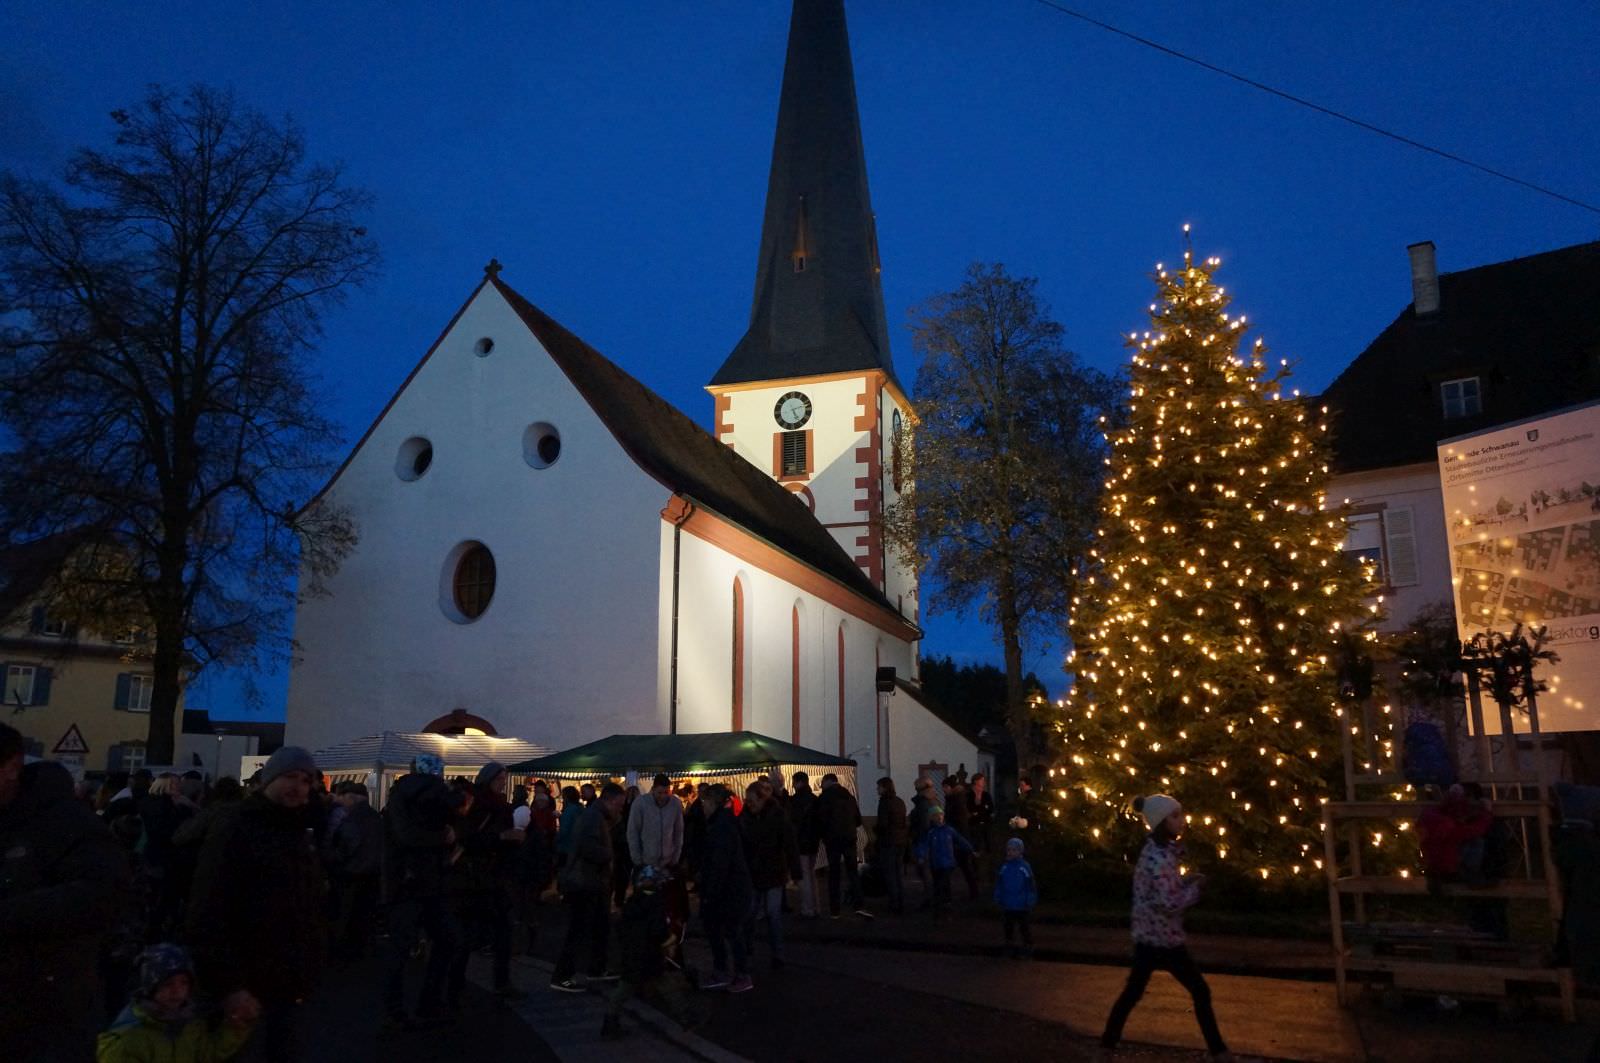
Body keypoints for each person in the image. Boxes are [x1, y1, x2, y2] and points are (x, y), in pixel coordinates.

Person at [184, 746, 327, 1062]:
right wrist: (229, 985)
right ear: (269, 779)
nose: (298, 786)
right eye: (290, 777)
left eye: (305, 780)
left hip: (288, 979)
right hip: (246, 979)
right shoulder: (237, 827)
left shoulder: (297, 830)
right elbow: (209, 908)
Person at [0, 723, 129, 1063]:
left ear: (12, 768)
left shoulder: (65, 823)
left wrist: (11, 913)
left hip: (46, 1010)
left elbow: (100, 895)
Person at [1099, 794, 1231, 1061]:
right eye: (1175, 816)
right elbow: (1167, 902)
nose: (1181, 820)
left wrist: (1186, 881)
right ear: (1161, 822)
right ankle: (1219, 1051)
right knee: (1199, 990)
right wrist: (1196, 889)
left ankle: (1106, 1045)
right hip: (1162, 939)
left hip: (1152, 936)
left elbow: (1165, 889)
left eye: (1180, 814)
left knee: (1133, 992)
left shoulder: (1159, 853)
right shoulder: (1159, 858)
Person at [380, 764, 466, 1028]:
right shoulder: (437, 794)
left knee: (401, 948)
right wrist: (445, 838)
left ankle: (394, 1010)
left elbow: (403, 836)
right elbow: (448, 825)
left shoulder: (400, 797)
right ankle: (427, 1002)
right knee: (447, 940)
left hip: (405, 882)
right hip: (426, 882)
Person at [96, 943, 257, 1062]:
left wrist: (235, 1027)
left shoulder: (189, 1024)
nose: (177, 991)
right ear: (151, 986)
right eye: (168, 984)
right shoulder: (129, 1038)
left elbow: (207, 1052)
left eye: (184, 983)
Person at [551, 782, 624, 992]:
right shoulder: (594, 817)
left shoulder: (595, 816)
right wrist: (609, 855)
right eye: (618, 805)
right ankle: (563, 975)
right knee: (580, 930)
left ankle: (595, 968)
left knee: (597, 927)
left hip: (592, 881)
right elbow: (588, 847)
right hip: (586, 882)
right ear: (609, 801)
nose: (620, 809)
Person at [697, 784, 754, 992]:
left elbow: (720, 863)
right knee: (725, 930)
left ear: (713, 803)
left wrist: (710, 890)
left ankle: (738, 973)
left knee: (729, 931)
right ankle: (727, 971)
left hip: (728, 889)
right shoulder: (727, 822)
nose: (703, 806)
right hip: (731, 886)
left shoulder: (721, 826)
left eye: (705, 802)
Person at [741, 780, 797, 969]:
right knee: (749, 913)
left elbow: (789, 842)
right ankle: (747, 947)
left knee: (773, 914)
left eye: (751, 801)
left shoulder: (777, 815)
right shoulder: (746, 816)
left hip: (773, 871)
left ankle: (778, 954)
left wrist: (794, 869)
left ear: (762, 799)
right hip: (754, 873)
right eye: (747, 801)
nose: (749, 804)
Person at [325, 780, 383, 961]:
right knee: (364, 916)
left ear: (350, 797)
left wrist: (327, 856)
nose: (339, 801)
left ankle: (343, 953)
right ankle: (362, 950)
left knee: (345, 915)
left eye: (342, 797)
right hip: (373, 875)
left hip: (350, 874)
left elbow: (345, 848)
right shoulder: (376, 817)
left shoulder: (353, 820)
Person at [814, 773, 869, 919]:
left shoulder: (824, 798)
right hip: (850, 838)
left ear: (828, 781)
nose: (821, 786)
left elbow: (819, 820)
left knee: (834, 874)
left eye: (822, 783)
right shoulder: (849, 797)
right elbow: (858, 820)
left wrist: (822, 835)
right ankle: (859, 905)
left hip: (832, 840)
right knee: (852, 872)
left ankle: (835, 910)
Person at [914, 806, 972, 918]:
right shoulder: (931, 832)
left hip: (948, 862)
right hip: (936, 863)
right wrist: (921, 855)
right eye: (937, 815)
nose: (940, 817)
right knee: (941, 882)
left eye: (941, 815)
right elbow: (924, 845)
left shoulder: (949, 830)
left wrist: (970, 849)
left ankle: (941, 903)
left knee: (942, 882)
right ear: (932, 818)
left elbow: (960, 840)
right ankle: (946, 901)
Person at [993, 837, 1038, 958]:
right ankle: (1009, 945)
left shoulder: (1024, 867)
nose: (1010, 852)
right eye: (1008, 850)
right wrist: (998, 896)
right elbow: (1000, 883)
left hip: (1022, 904)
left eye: (1013, 850)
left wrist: (1030, 899)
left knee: (1024, 927)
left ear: (1020, 851)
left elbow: (1030, 885)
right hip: (1008, 903)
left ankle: (1028, 945)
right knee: (1008, 926)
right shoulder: (1005, 867)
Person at [874, 777, 908, 915]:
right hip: (901, 840)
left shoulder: (884, 803)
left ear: (884, 787)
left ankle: (893, 904)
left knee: (890, 874)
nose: (877, 789)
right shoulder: (899, 801)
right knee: (898, 873)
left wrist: (876, 830)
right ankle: (900, 902)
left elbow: (883, 824)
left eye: (879, 787)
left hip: (888, 841)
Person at [788, 772, 820, 918]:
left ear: (799, 782)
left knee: (804, 877)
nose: (793, 785)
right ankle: (816, 907)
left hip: (801, 843)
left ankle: (807, 908)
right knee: (812, 876)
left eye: (794, 782)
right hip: (813, 841)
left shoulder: (796, 800)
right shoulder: (814, 799)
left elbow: (794, 823)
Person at [942, 776, 979, 899]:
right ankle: (972, 891)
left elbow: (959, 820)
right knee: (963, 867)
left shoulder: (956, 800)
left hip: (958, 836)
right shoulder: (955, 798)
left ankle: (947, 894)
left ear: (950, 787)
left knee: (962, 866)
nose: (943, 790)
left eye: (945, 788)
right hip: (958, 836)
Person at [908, 777, 937, 909]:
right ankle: (932, 897)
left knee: (925, 871)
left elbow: (924, 825)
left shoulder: (924, 804)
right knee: (927, 871)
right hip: (929, 841)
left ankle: (930, 898)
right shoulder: (934, 802)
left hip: (923, 841)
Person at [969, 772, 995, 854]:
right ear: (975, 783)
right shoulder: (969, 796)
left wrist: (982, 810)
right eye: (981, 781)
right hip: (975, 825)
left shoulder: (986, 795)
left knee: (989, 845)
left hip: (987, 824)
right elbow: (971, 809)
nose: (983, 784)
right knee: (976, 846)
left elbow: (991, 809)